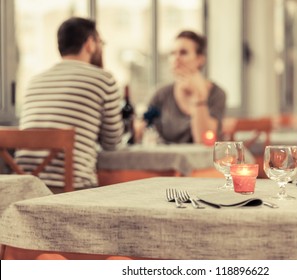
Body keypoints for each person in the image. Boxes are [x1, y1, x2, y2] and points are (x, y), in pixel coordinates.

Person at [16, 17, 123, 190]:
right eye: (100, 42)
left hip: (25, 187)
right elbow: (112, 144)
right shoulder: (104, 79)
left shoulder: (34, 81)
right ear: (90, 43)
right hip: (72, 189)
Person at [146, 30, 226, 144]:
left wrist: (199, 97)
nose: (176, 58)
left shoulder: (217, 94)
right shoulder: (160, 94)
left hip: (202, 160)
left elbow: (204, 140)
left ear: (200, 59)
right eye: (173, 53)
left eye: (183, 52)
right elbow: (143, 130)